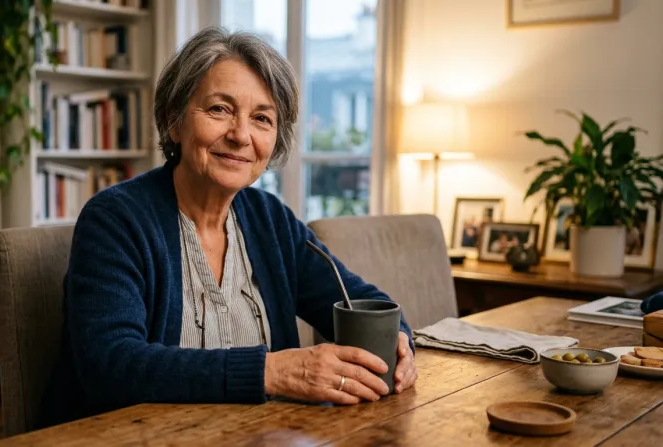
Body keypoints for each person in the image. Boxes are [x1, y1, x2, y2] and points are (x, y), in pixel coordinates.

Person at [38, 26, 417, 429]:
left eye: (262, 118)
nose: (241, 135)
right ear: (174, 122)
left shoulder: (272, 220)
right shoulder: (115, 219)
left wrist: (399, 341)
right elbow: (110, 365)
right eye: (219, 109)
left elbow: (359, 299)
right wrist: (272, 372)